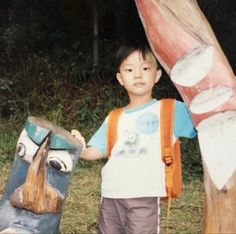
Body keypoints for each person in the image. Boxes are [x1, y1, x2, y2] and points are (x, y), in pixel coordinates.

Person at [71, 40, 196, 234]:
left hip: (144, 197)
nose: (137, 74)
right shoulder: (114, 117)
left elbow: (206, 116)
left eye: (145, 68)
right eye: (129, 70)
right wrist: (79, 148)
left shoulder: (170, 110)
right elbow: (97, 150)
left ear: (157, 75)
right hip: (111, 196)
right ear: (120, 78)